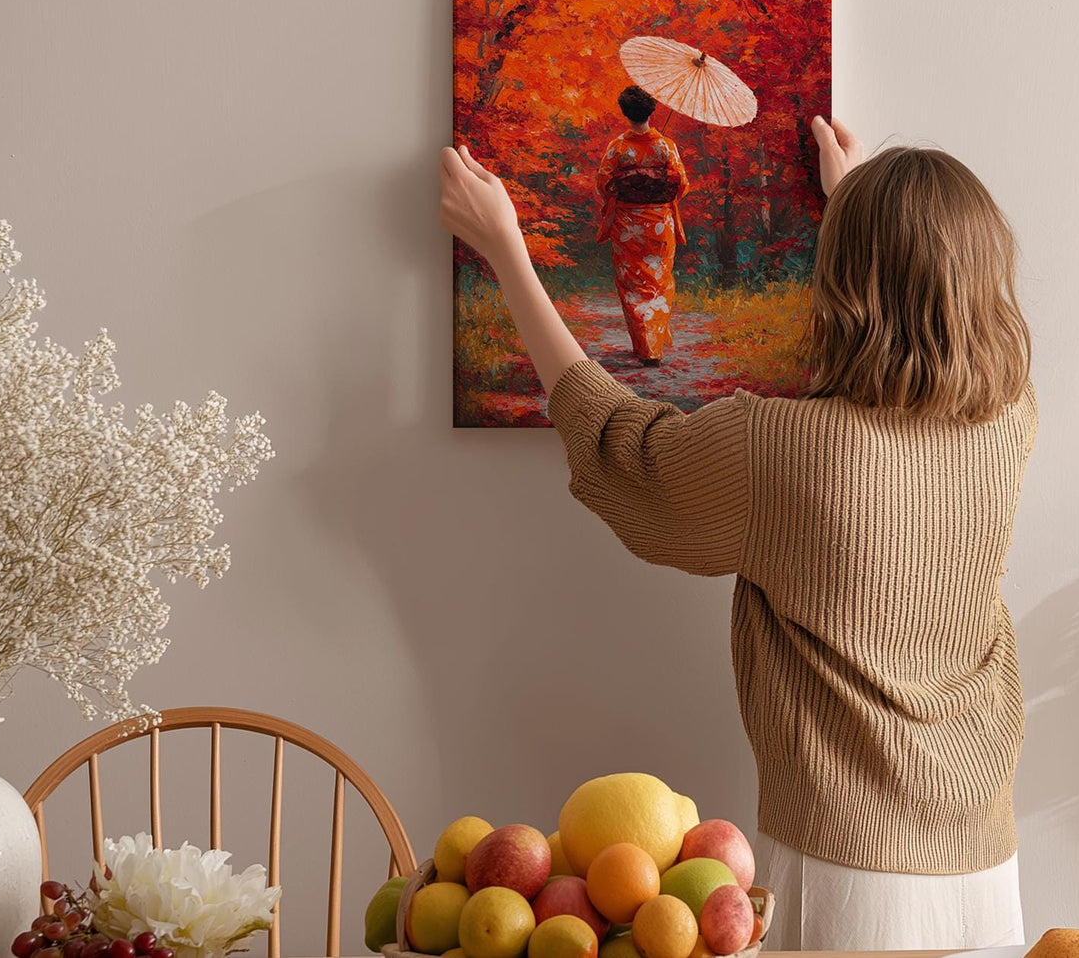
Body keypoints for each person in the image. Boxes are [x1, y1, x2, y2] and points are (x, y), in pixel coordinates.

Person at [438, 115, 1036, 951]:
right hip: (985, 859)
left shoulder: (778, 450)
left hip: (845, 867)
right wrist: (853, 204)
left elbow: (621, 446)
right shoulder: (1008, 422)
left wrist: (506, 250)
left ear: (843, 279)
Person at [593, 85, 690, 366]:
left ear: (625, 112)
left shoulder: (618, 147)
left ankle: (645, 345)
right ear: (652, 110)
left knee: (633, 283)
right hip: (660, 222)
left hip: (627, 223)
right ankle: (654, 341)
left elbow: (604, 185)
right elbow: (681, 185)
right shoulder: (666, 145)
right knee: (658, 281)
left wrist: (630, 184)